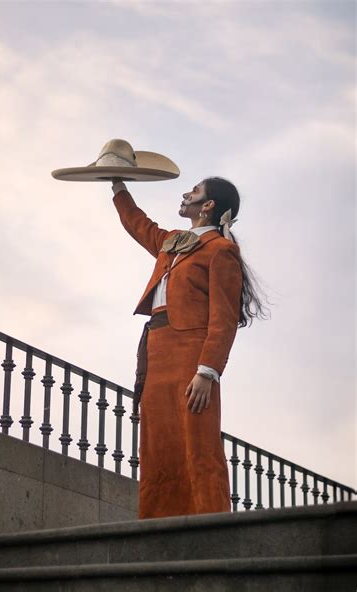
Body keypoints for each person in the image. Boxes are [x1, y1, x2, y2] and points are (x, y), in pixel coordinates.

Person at [111, 176, 269, 519]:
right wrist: (117, 186)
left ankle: (210, 524)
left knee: (198, 442)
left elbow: (224, 319)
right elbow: (139, 224)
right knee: (157, 444)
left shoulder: (221, 251)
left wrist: (207, 371)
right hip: (156, 352)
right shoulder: (171, 242)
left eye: (195, 192)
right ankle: (156, 525)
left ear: (208, 205)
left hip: (191, 359)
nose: (186, 194)